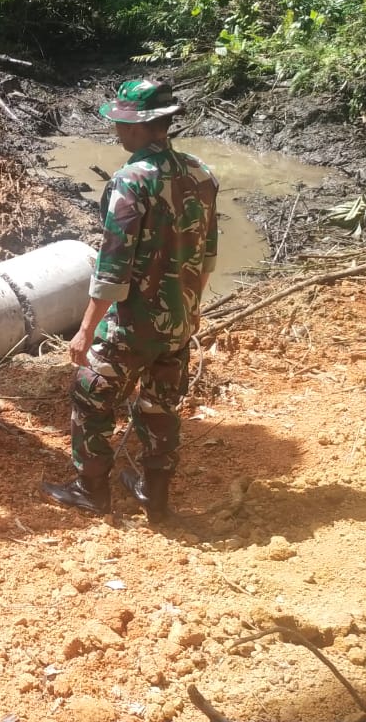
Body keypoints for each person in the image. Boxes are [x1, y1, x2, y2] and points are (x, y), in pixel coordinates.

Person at [42, 79, 219, 522]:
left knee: (91, 395)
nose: (117, 132)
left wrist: (85, 331)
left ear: (139, 128)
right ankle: (154, 497)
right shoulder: (200, 173)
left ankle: (90, 489)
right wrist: (187, 311)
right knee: (160, 405)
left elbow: (112, 268)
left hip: (135, 322)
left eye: (120, 124)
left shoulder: (130, 180)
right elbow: (208, 255)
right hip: (180, 320)